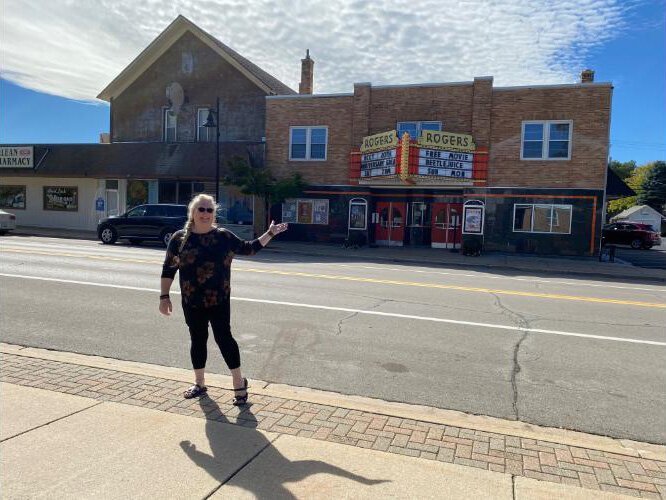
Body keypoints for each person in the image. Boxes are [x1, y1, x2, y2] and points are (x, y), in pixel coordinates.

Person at [159, 194, 288, 403]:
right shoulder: (179, 239)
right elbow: (169, 268)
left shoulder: (223, 237)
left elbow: (249, 248)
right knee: (197, 339)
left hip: (218, 300)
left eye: (209, 210)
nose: (205, 214)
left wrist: (270, 233)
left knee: (224, 339)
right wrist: (164, 296)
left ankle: (239, 383)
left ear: (214, 214)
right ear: (192, 212)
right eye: (201, 209)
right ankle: (199, 383)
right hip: (191, 301)